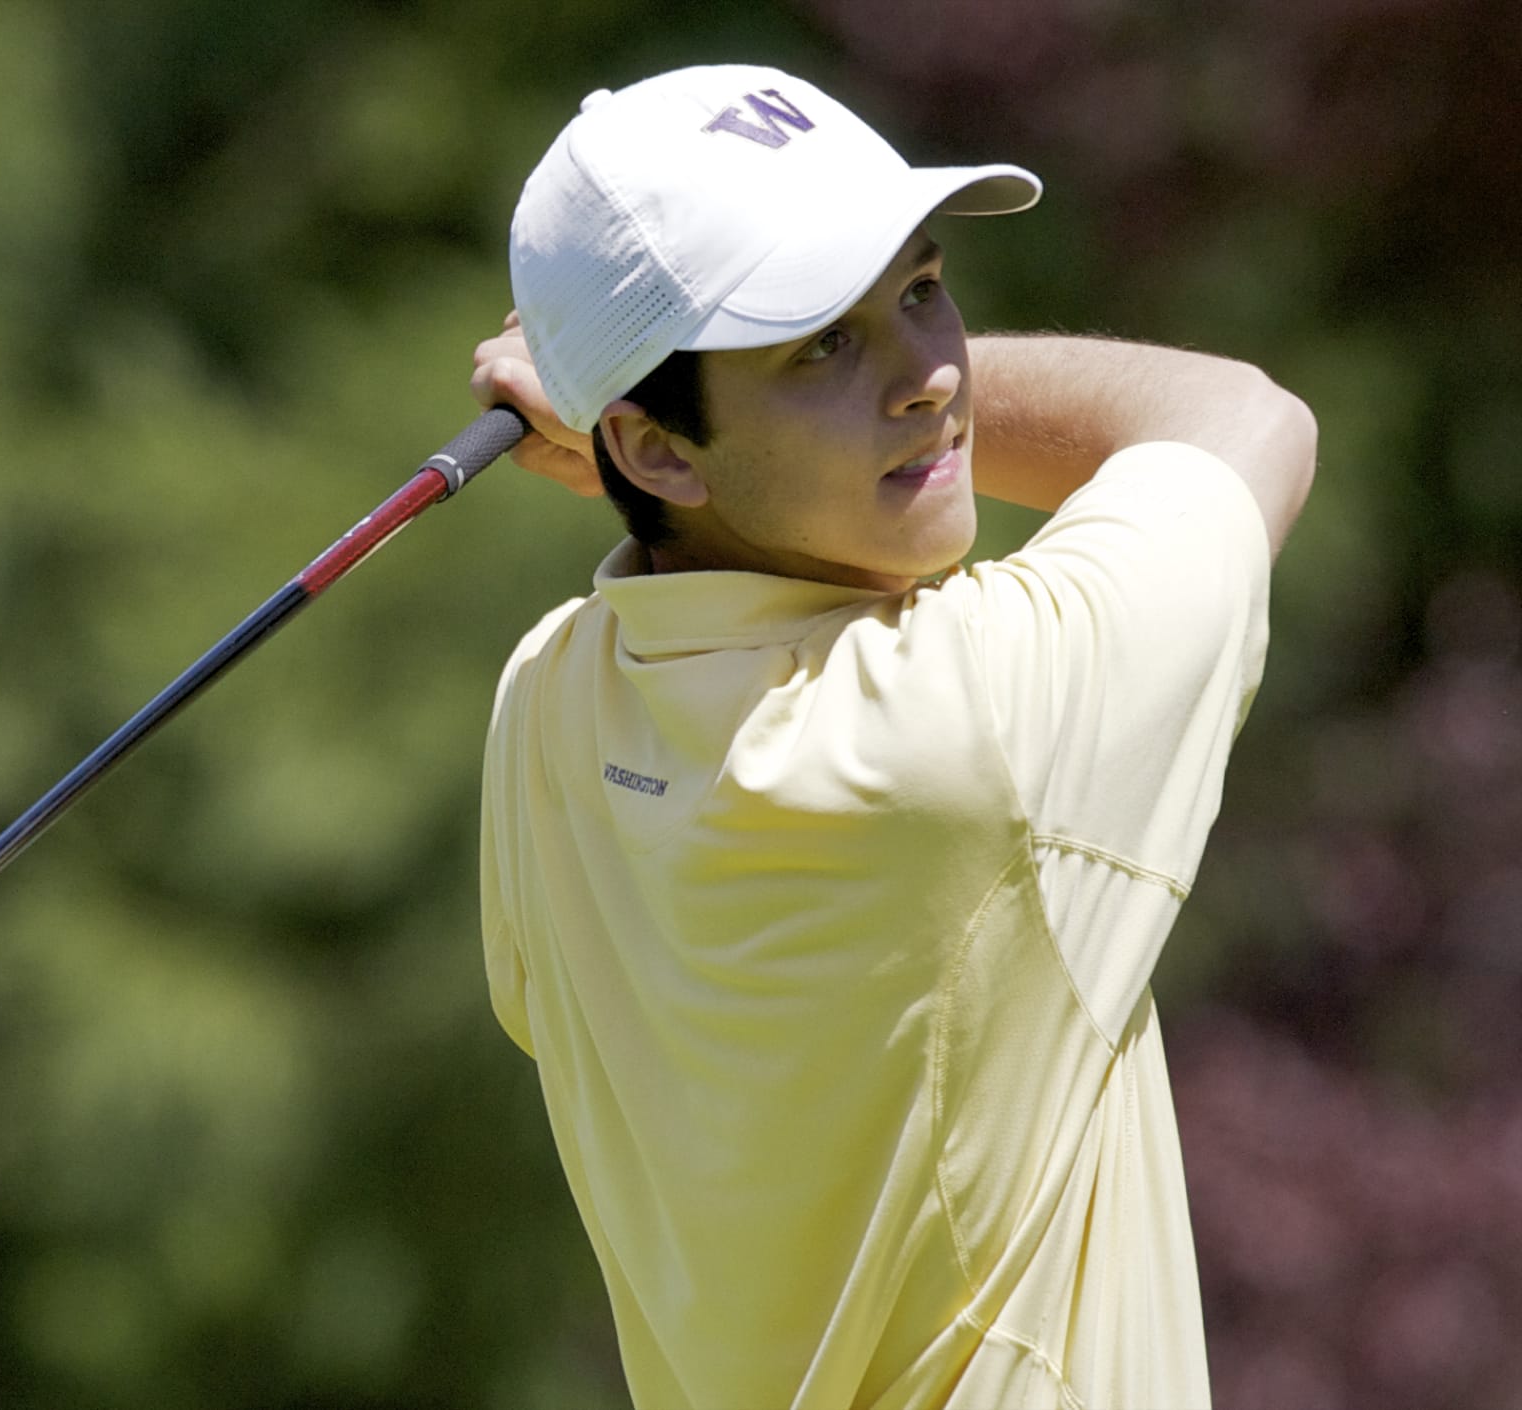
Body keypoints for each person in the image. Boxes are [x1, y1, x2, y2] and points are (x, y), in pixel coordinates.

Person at [468, 64, 1316, 1410]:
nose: (930, 376)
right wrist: (618, 430)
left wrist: (647, 431)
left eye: (921, 290)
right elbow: (1247, 419)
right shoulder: (972, 718)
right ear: (652, 446)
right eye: (822, 343)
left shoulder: (548, 709)